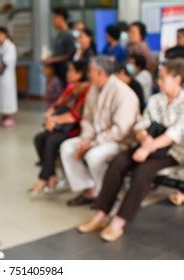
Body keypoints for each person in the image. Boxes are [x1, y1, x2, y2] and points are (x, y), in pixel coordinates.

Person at [78, 59, 184, 242]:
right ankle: (100, 214)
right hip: (147, 145)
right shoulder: (156, 99)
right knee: (118, 163)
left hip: (173, 152)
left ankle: (118, 222)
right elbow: (141, 124)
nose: (158, 81)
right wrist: (144, 138)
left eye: (163, 78)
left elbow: (174, 135)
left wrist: (147, 147)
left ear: (178, 79)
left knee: (143, 172)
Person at [60, 56, 140, 206]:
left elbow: (120, 130)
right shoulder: (93, 89)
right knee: (67, 148)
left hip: (119, 141)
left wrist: (92, 144)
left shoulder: (123, 93)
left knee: (94, 156)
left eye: (90, 71)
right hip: (96, 137)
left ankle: (106, 194)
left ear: (99, 72)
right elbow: (87, 120)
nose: (88, 74)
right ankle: (90, 189)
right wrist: (85, 140)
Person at [31, 60, 90, 196]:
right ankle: (51, 176)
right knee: (39, 138)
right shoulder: (70, 87)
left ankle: (43, 178)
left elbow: (76, 115)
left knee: (51, 140)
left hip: (75, 129)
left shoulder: (86, 90)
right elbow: (57, 104)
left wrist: (54, 120)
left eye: (71, 70)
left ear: (80, 74)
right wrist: (50, 115)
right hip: (62, 126)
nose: (67, 73)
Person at [43, 8, 76, 86]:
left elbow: (70, 54)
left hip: (64, 74)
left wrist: (52, 59)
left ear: (60, 18)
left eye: (54, 18)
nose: (53, 22)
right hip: (57, 73)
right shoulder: (59, 35)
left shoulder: (68, 35)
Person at [0, 26, 18, 127]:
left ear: (5, 34)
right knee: (0, 96)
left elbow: (7, 60)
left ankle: (10, 117)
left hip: (7, 76)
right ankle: (3, 116)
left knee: (8, 97)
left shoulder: (10, 46)